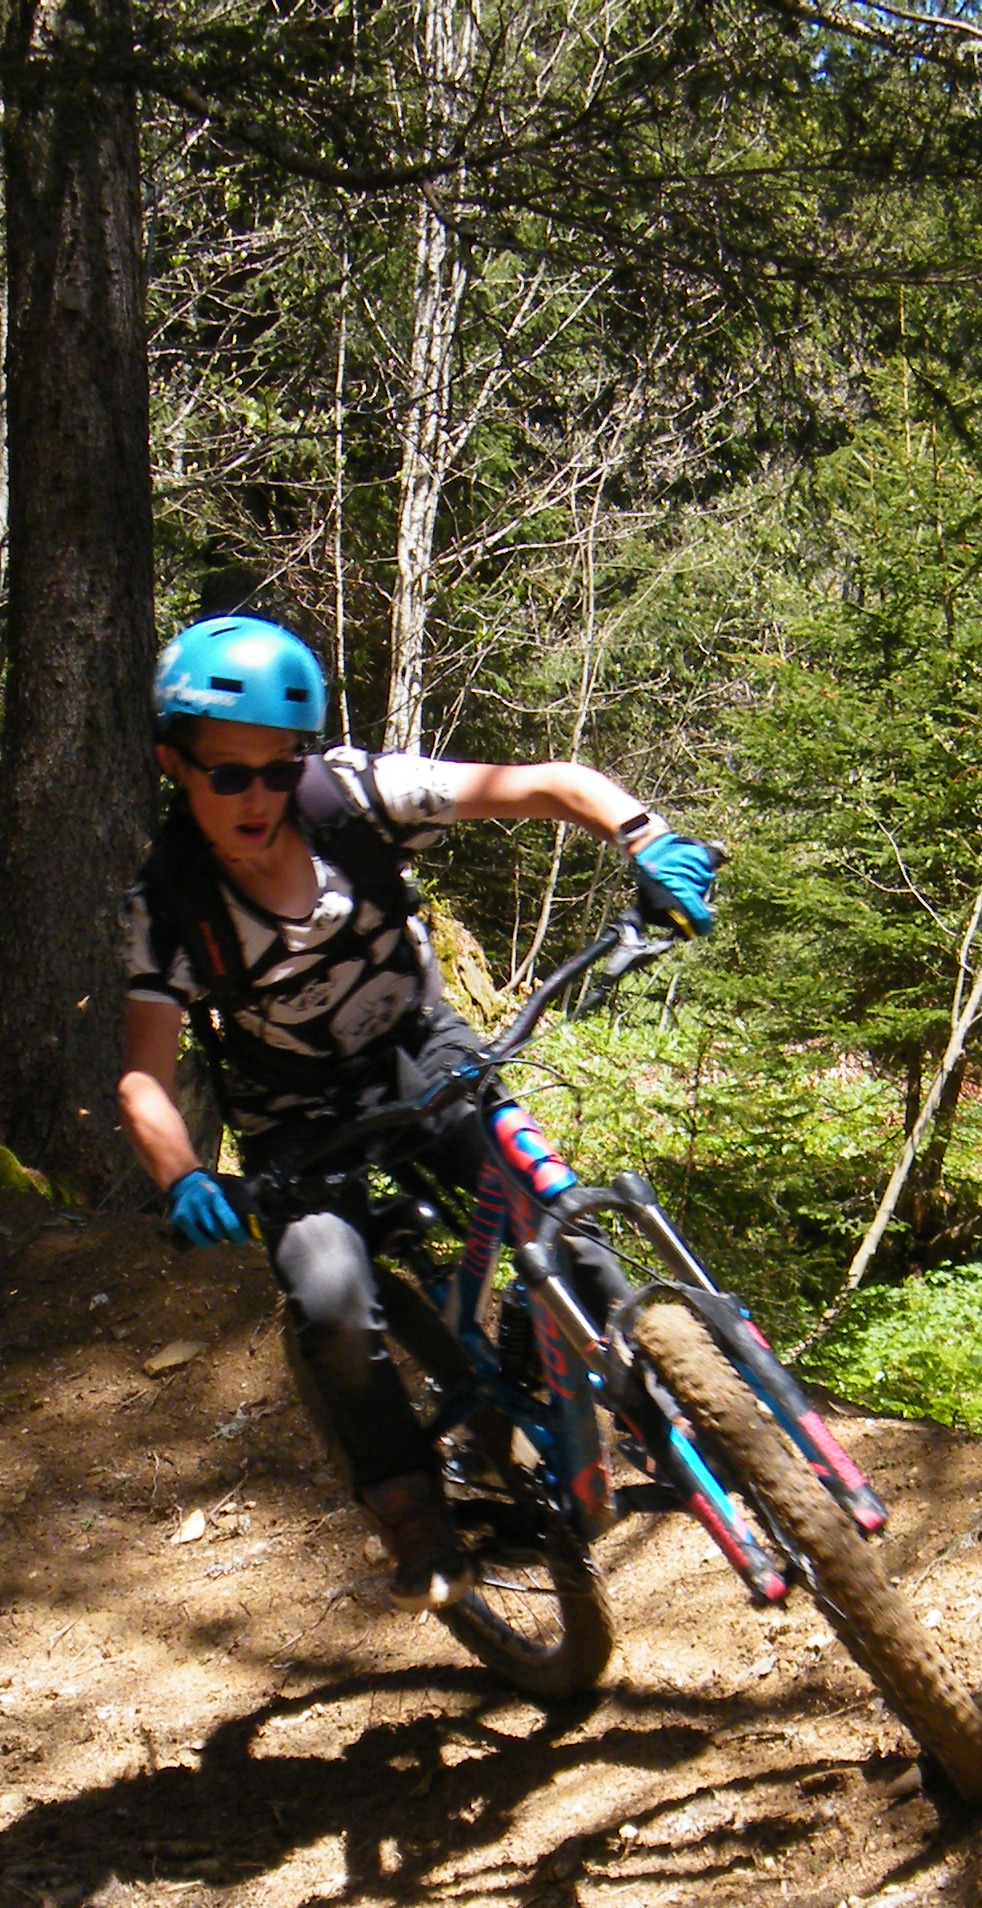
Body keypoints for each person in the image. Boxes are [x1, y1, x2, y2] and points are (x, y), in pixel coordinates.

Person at [115, 614, 720, 1609]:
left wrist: (647, 837)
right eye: (229, 773)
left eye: (278, 767)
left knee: (546, 1193)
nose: (259, 797)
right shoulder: (166, 904)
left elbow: (544, 783)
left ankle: (659, 1393)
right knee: (335, 1304)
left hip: (415, 1049)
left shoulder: (351, 794)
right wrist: (181, 1174)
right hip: (296, 1121)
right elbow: (144, 1075)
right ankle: (412, 1510)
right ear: (175, 765)